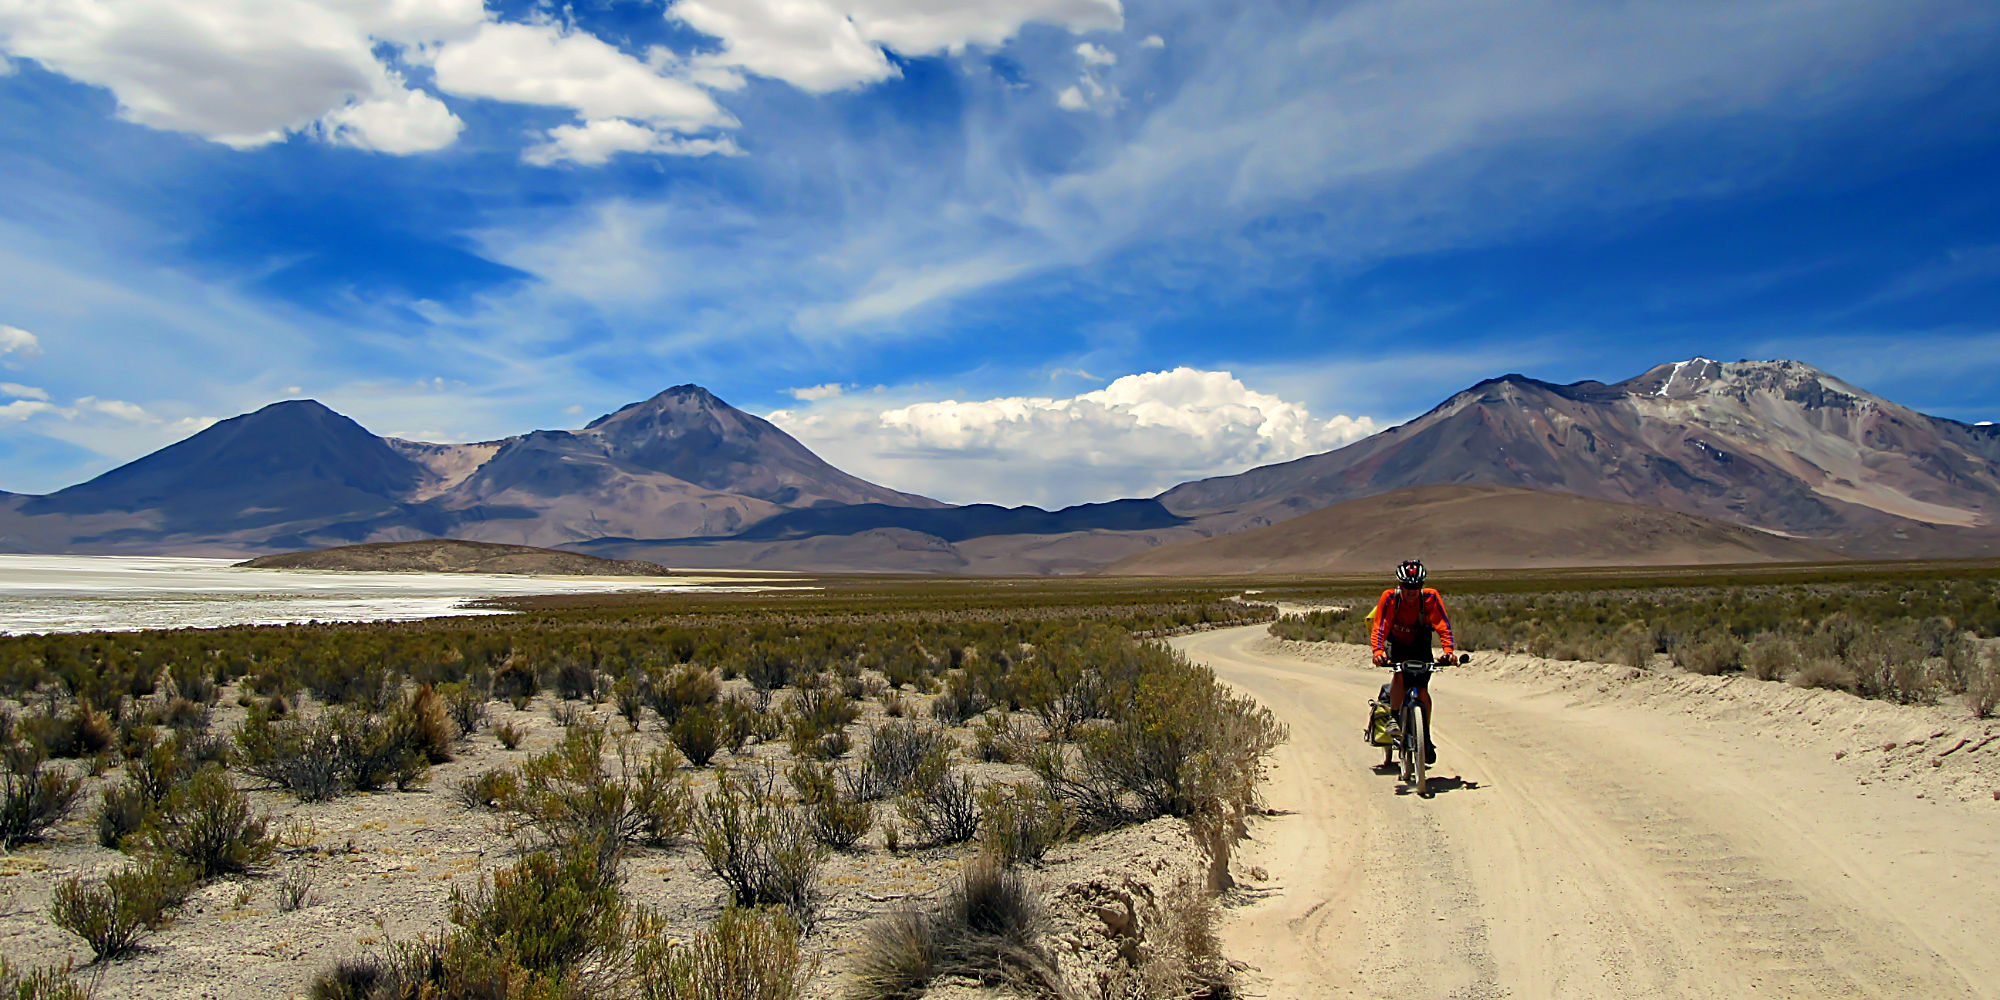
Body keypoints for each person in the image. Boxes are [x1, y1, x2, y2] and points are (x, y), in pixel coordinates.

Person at [1370, 558, 1455, 766]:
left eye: (1416, 586)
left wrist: (1448, 652)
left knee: (1422, 689)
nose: (1411, 591)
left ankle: (1424, 736)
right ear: (1400, 585)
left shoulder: (1431, 598)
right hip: (1397, 643)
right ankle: (1394, 717)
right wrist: (1378, 651)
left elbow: (1443, 625)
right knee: (1399, 674)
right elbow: (1380, 626)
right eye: (1407, 586)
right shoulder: (1390, 598)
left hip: (1420, 643)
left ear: (1421, 585)